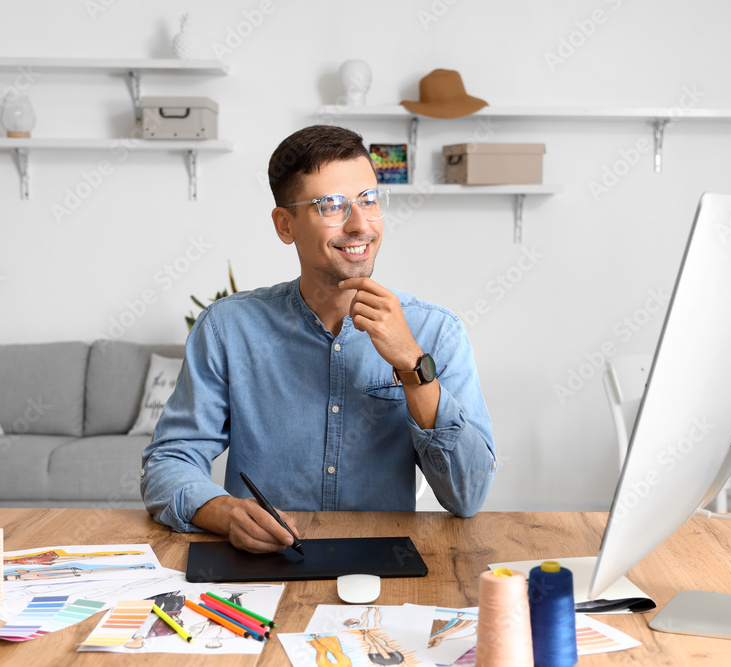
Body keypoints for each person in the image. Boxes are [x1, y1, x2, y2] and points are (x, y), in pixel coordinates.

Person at [140, 125, 496, 553]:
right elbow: (168, 462)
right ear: (285, 224)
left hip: (384, 570)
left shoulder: (437, 332)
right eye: (332, 206)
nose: (361, 224)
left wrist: (412, 365)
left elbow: (469, 495)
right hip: (262, 572)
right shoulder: (227, 329)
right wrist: (225, 512)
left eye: (369, 200)